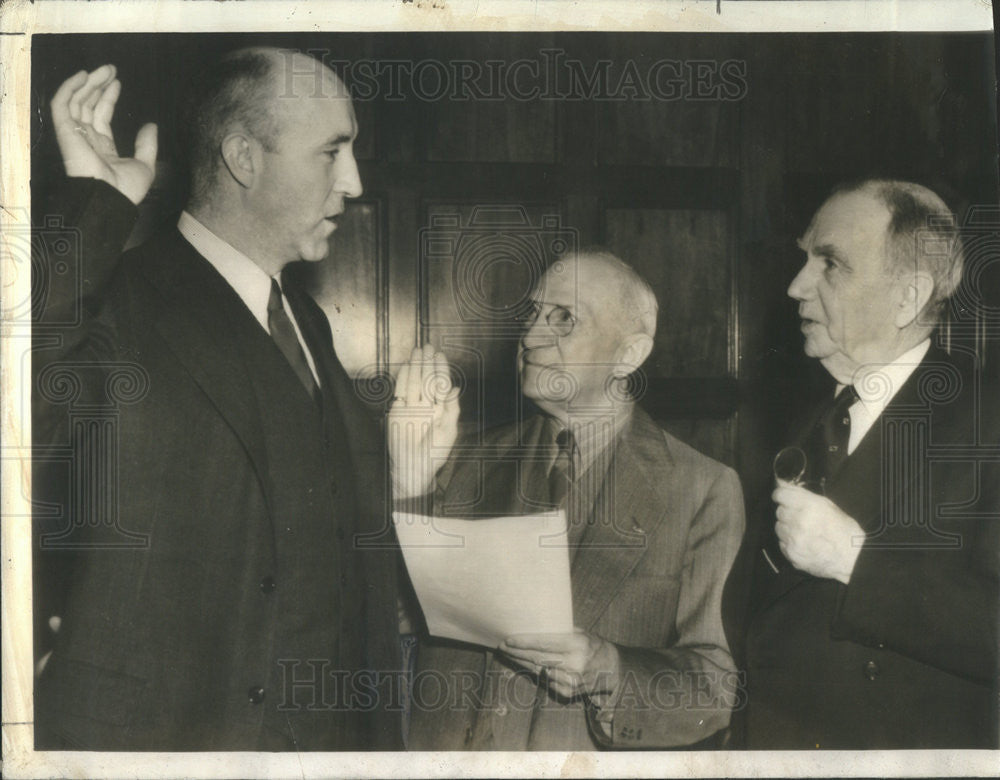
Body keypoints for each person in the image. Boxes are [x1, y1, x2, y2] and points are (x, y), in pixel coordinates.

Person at [32, 48, 403, 750]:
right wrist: (94, 205)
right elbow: (22, 420)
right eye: (333, 152)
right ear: (244, 157)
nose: (353, 182)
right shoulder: (118, 296)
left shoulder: (307, 322)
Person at [389, 249, 745, 750]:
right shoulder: (462, 459)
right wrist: (409, 487)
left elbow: (715, 691)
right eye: (532, 314)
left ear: (630, 354)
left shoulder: (703, 489)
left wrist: (612, 670)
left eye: (565, 318)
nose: (531, 336)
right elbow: (390, 618)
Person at [738, 179, 999, 748]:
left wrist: (857, 562)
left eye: (830, 264)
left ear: (907, 297)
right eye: (804, 258)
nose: (795, 286)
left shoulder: (986, 421)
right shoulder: (801, 419)